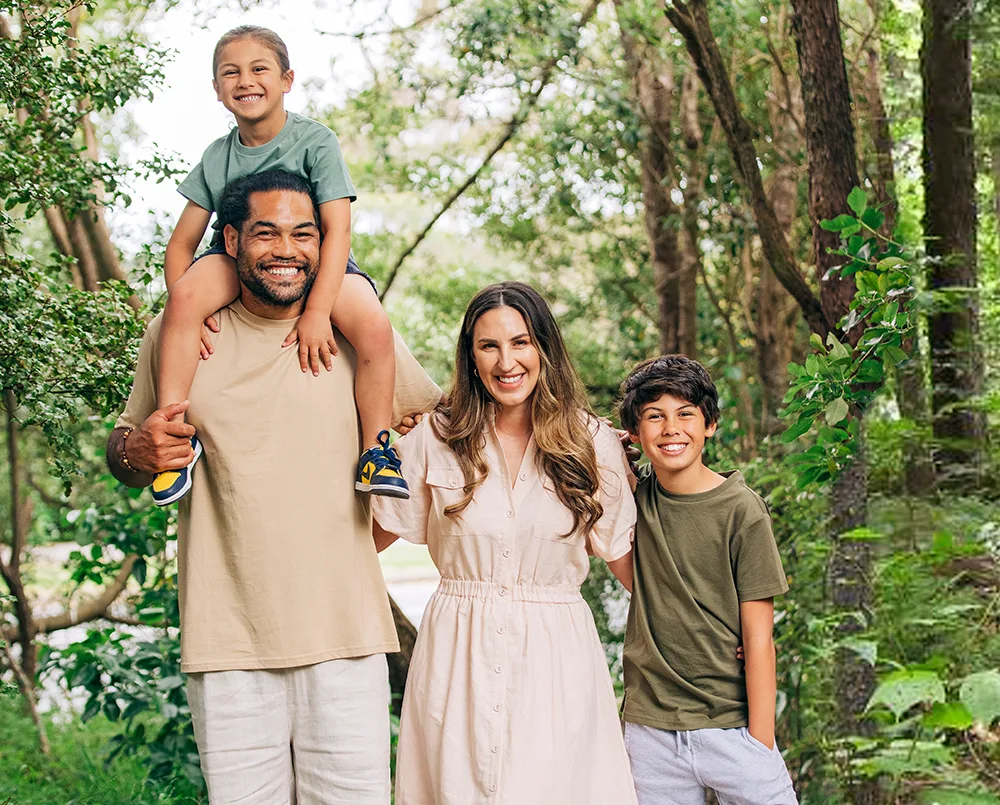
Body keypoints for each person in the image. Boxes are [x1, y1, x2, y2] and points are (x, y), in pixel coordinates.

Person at [106, 170, 442, 805]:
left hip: (345, 637)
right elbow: (123, 450)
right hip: (226, 639)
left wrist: (596, 444)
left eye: (304, 234)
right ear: (231, 240)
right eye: (266, 233)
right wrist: (137, 449)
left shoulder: (358, 331)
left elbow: (441, 431)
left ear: (326, 244)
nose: (286, 250)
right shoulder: (181, 330)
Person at [372, 281, 638, 805]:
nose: (505, 361)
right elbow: (366, 539)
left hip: (556, 658)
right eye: (488, 346)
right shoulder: (434, 437)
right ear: (470, 356)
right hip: (455, 657)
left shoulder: (592, 442)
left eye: (520, 342)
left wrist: (717, 636)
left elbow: (630, 567)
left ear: (544, 348)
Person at [151, 24, 405, 505]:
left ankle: (376, 450)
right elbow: (181, 244)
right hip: (238, 257)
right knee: (184, 297)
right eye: (231, 72)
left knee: (373, 325)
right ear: (217, 89)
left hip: (318, 259)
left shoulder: (315, 141)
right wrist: (190, 310)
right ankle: (175, 440)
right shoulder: (217, 156)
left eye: (259, 69)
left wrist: (316, 312)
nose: (245, 80)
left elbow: (338, 231)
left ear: (287, 79)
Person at [618, 355, 797, 804]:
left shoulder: (742, 511)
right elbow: (636, 578)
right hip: (652, 732)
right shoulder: (633, 500)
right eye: (654, 417)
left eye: (685, 414)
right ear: (637, 433)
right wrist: (611, 450)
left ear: (710, 425)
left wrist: (761, 743)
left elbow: (759, 638)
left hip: (733, 727)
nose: (670, 429)